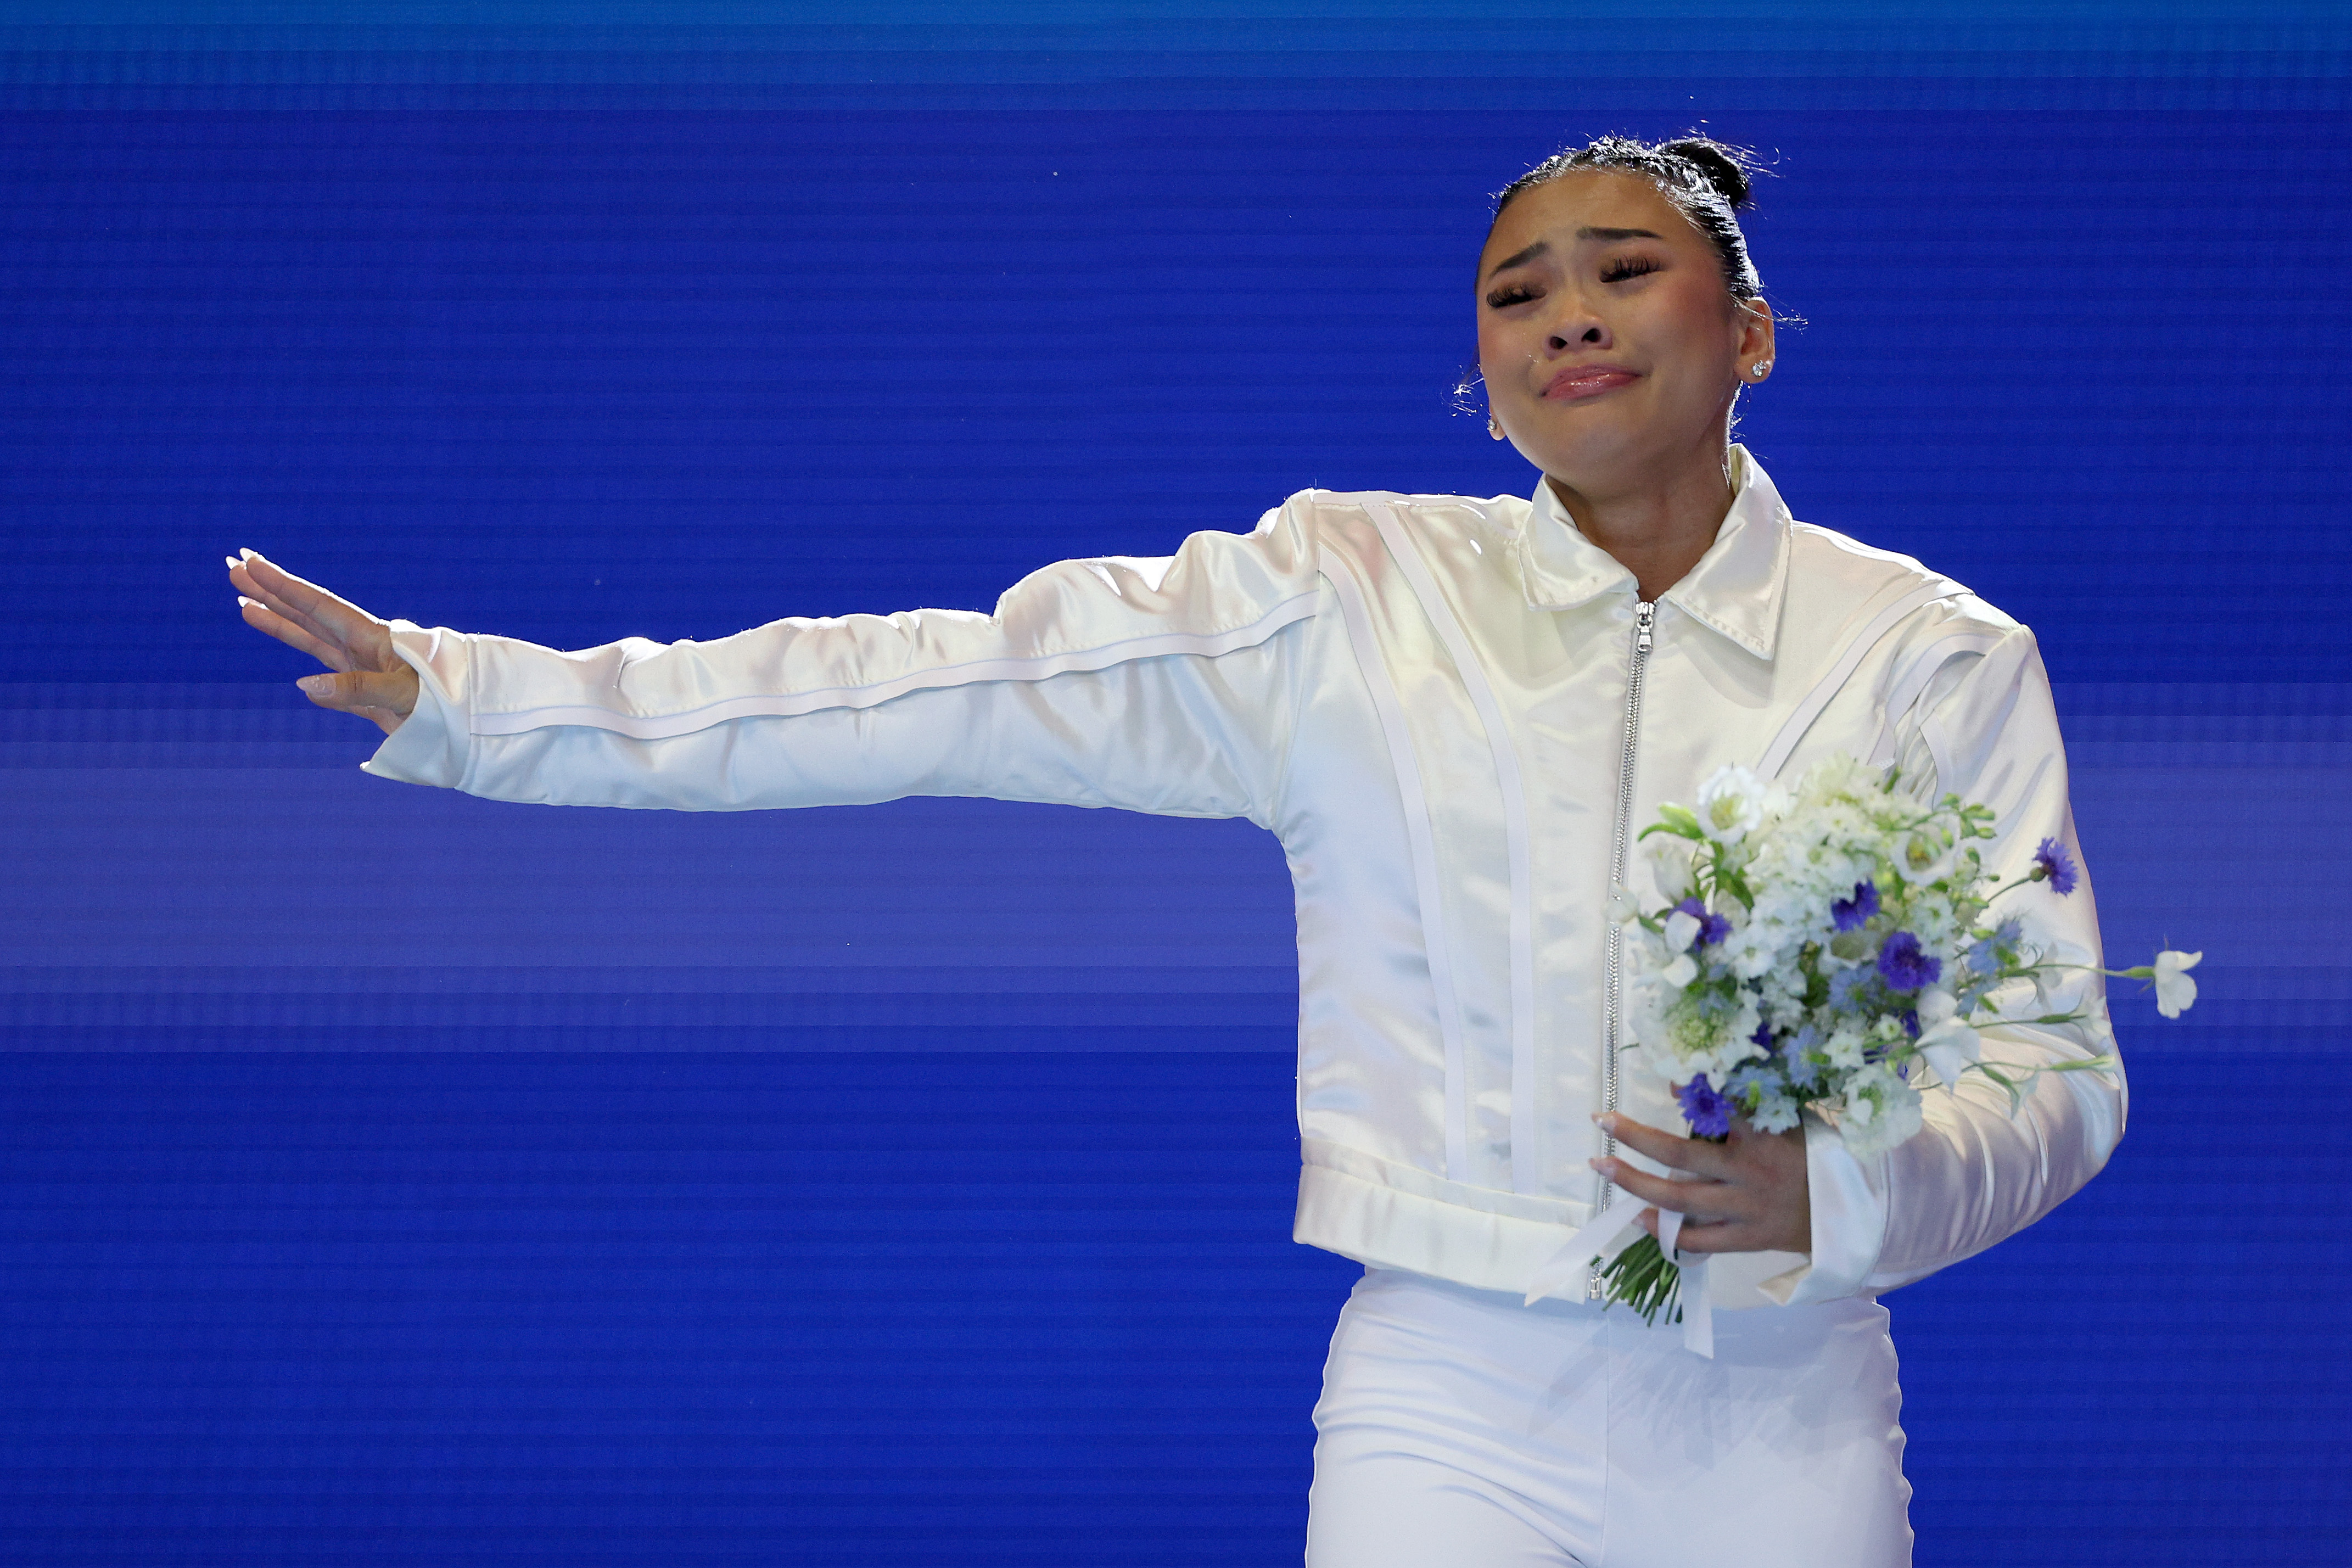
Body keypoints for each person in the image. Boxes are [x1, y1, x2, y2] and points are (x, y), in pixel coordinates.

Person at [227, 134, 2123, 1566]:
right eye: (1514, 290)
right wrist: (483, 701)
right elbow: (930, 686)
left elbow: (2055, 1070)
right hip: (1449, 1397)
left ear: (1750, 330)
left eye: (1621, 270)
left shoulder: (1926, 658)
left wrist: (1842, 1193)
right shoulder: (1354, 599)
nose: (1565, 313)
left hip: (1777, 1411)